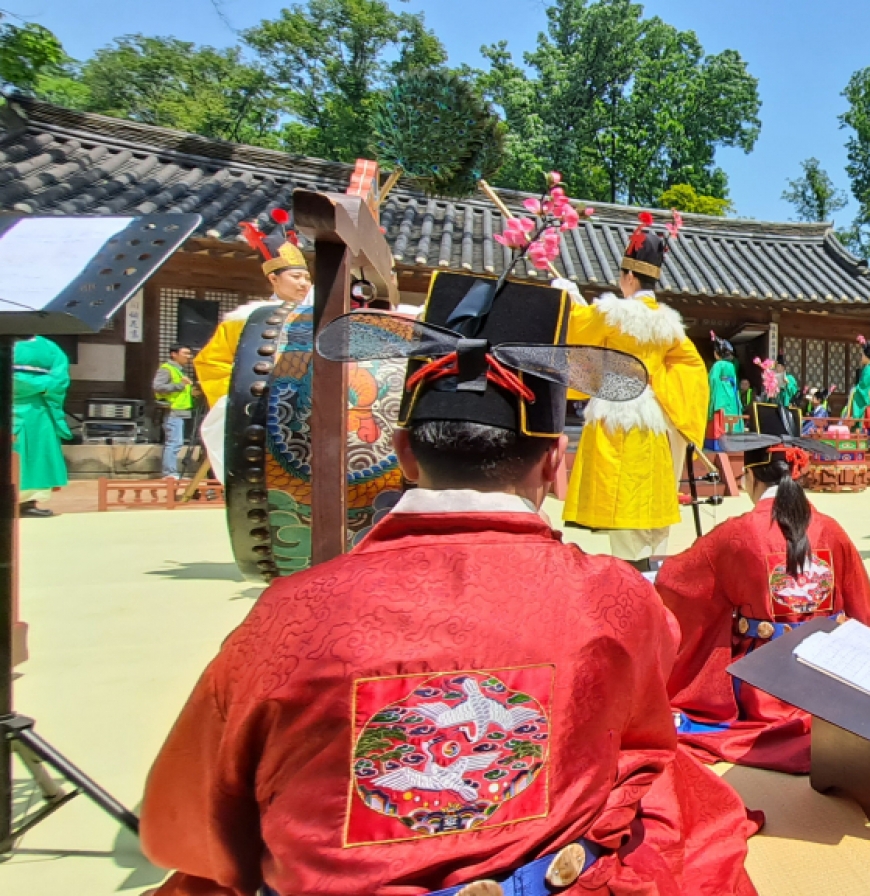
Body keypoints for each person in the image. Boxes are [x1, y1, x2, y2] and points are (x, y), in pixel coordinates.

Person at [140, 273, 757, 896]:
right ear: (554, 462)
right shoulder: (615, 596)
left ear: (404, 453)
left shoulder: (287, 616)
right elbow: (644, 745)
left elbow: (186, 826)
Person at [655, 403, 870, 774]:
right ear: (798, 472)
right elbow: (861, 607)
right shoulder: (831, 529)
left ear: (749, 477)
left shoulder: (735, 534)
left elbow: (676, 583)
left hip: (765, 685)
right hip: (830, 677)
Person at [562, 212, 709, 566]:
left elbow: (578, 335)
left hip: (618, 414)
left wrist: (570, 299)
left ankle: (634, 585)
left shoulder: (612, 312)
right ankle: (656, 579)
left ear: (628, 276)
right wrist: (676, 409)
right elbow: (693, 368)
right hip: (656, 421)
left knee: (624, 510)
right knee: (654, 510)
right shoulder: (669, 325)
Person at [193, 209, 313, 483]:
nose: (303, 284)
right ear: (274, 279)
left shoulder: (314, 316)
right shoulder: (245, 318)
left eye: (306, 277)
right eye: (296, 277)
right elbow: (211, 363)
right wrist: (240, 399)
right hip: (260, 407)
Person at [13, 335, 71, 517]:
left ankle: (28, 502)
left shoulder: (49, 346)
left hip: (39, 410)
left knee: (38, 454)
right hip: (12, 403)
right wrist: (38, 385)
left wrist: (28, 385)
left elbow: (60, 377)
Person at [154, 345, 194, 480]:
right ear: (174, 354)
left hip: (179, 411)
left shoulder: (179, 371)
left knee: (175, 442)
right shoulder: (167, 369)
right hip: (172, 411)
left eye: (189, 354)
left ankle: (171, 472)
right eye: (185, 353)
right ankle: (169, 473)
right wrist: (181, 385)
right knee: (174, 442)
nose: (188, 356)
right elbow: (158, 387)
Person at [846, 335, 870, 439]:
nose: (861, 357)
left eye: (862, 355)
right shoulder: (868, 367)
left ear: (867, 357)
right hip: (869, 391)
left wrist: (855, 389)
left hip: (869, 394)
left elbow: (864, 384)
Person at [707, 332, 744, 437]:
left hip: (721, 395)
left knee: (721, 416)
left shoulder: (718, 365)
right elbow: (734, 381)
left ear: (716, 353)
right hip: (731, 394)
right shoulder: (731, 365)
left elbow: (713, 380)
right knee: (731, 414)